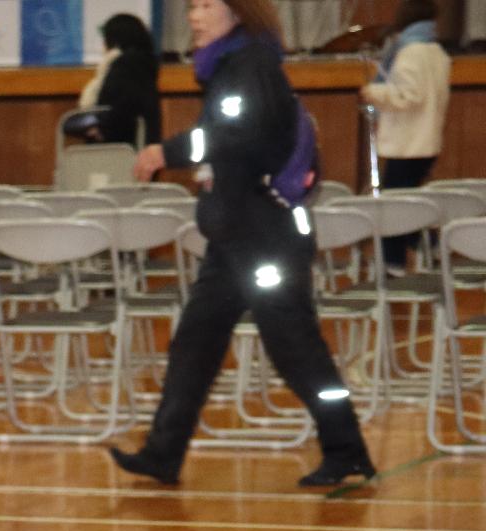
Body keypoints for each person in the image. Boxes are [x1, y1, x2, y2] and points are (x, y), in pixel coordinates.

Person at [109, 0, 378, 490]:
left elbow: (236, 139)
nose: (193, 16)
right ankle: (162, 454)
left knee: (295, 349)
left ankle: (347, 451)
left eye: (206, 5)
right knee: (195, 344)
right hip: (236, 238)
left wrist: (165, 152)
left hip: (265, 238)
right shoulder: (232, 67)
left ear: (236, 13)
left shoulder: (251, 67)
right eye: (190, 6)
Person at [362, 0, 451, 269]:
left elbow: (409, 96)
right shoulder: (436, 51)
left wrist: (373, 93)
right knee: (408, 202)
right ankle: (427, 244)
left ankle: (393, 262)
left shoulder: (410, 52)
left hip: (407, 142)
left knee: (395, 209)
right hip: (426, 140)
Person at [75, 13, 163, 146]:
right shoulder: (145, 65)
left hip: (117, 150)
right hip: (141, 147)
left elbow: (121, 109)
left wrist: (100, 130)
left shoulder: (124, 67)